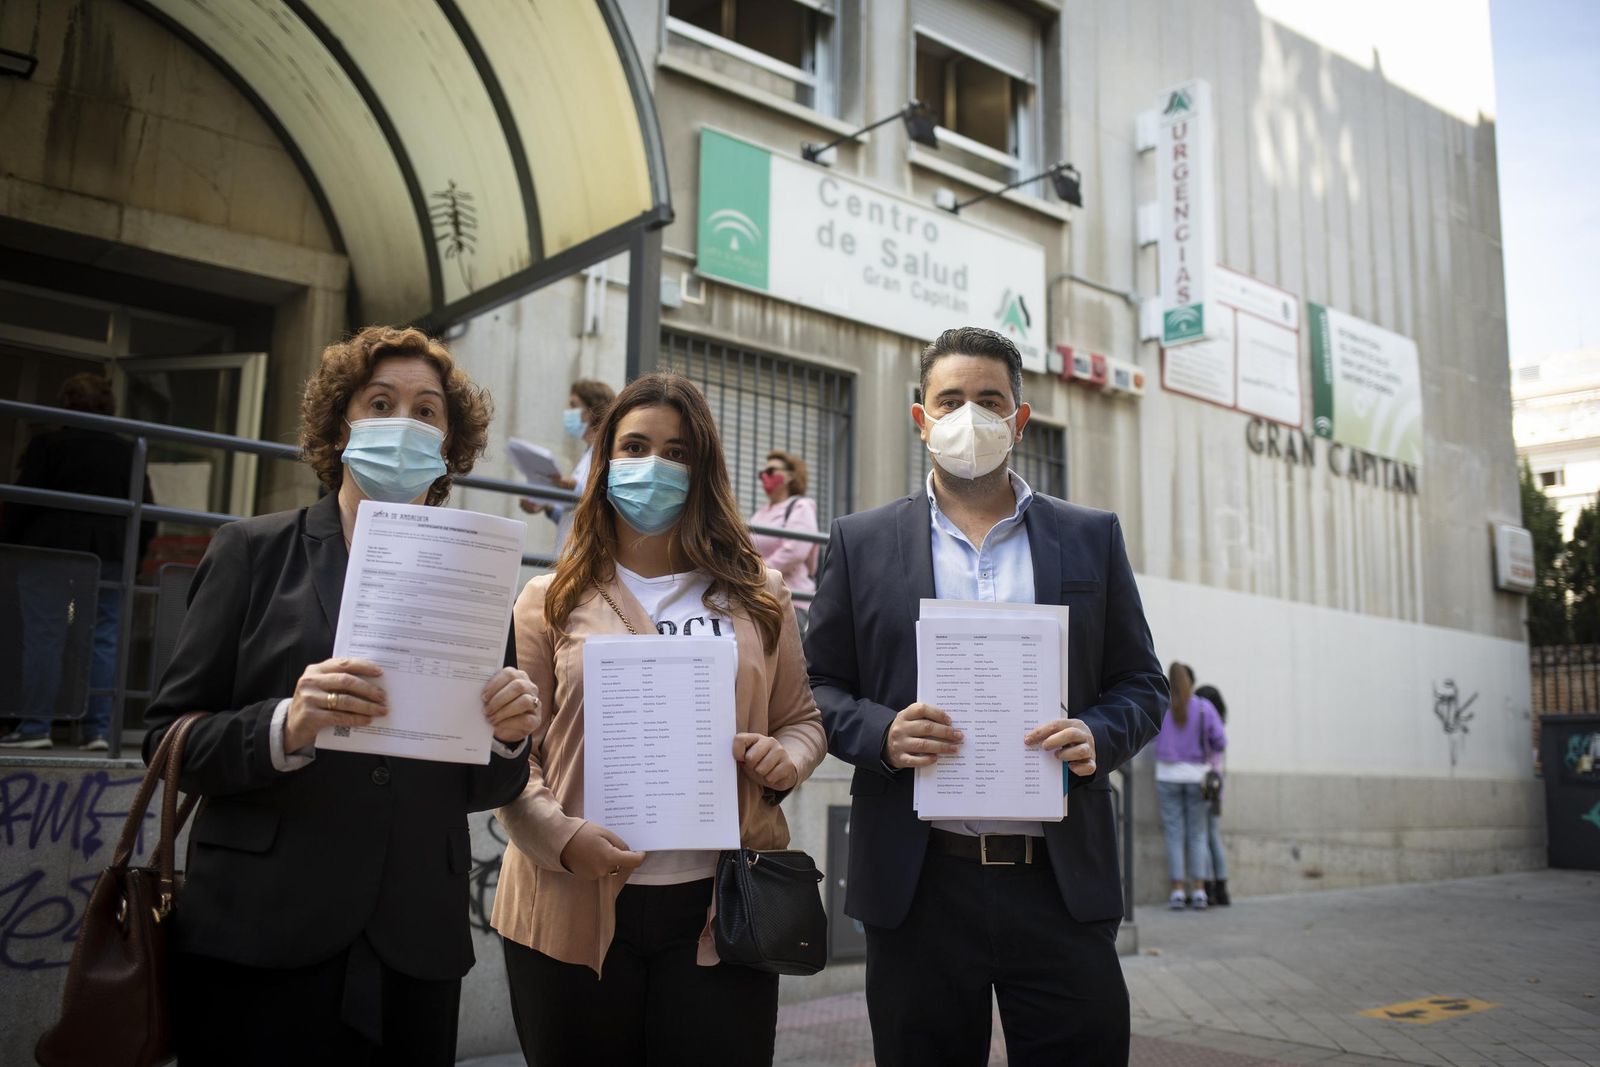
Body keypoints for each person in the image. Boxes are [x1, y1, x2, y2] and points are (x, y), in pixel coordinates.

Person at [141, 326, 540, 1064]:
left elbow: (489, 780)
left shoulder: (479, 576)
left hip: (414, 939)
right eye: (379, 401)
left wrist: (511, 736)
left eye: (426, 410)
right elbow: (168, 737)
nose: (401, 422)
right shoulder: (252, 550)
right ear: (340, 424)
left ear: (450, 444)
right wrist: (284, 725)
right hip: (260, 929)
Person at [805, 326, 1167, 1066]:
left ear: (1019, 418)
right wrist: (880, 734)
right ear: (921, 419)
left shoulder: (1089, 537)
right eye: (951, 399)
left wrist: (1097, 734)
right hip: (920, 884)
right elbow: (816, 686)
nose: (969, 415)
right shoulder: (862, 541)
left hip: (1059, 884)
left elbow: (1142, 682)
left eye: (988, 399)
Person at [492, 372, 825, 1066]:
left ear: (703, 470)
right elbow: (513, 759)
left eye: (677, 452)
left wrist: (785, 759)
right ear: (604, 462)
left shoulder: (760, 595)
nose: (654, 467)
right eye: (635, 446)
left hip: (720, 913)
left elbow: (804, 721)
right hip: (567, 902)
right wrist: (559, 835)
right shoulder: (546, 599)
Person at [1, 371, 154, 751]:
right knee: (103, 638)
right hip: (110, 555)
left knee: (44, 634)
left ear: (65, 403)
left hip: (50, 552)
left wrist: (9, 545)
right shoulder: (127, 449)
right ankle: (98, 731)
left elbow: (22, 503)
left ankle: (36, 727)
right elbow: (147, 511)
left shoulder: (47, 445)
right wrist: (134, 556)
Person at [1155, 663, 1227, 911]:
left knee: (1174, 835)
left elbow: (1148, 735)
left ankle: (1177, 892)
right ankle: (1198, 891)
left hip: (1166, 775)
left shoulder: (1162, 706)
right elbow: (1220, 741)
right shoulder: (1204, 708)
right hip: (1197, 776)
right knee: (1197, 835)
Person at [520, 378, 614, 551]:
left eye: (573, 405)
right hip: (570, 554)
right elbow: (573, 514)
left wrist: (564, 484)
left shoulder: (606, 453)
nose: (568, 412)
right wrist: (546, 505)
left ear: (591, 410)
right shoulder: (589, 453)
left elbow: (594, 500)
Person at [749, 450, 819, 624]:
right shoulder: (760, 513)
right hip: (760, 599)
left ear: (790, 477)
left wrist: (756, 573)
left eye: (771, 471)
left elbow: (795, 552)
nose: (765, 476)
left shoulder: (801, 506)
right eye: (762, 473)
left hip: (790, 602)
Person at [1194, 682, 1231, 906]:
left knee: (1202, 837)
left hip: (1201, 781)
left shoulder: (1202, 718)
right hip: (1216, 785)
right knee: (1213, 836)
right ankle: (1222, 888)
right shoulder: (1220, 724)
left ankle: (1207, 887)